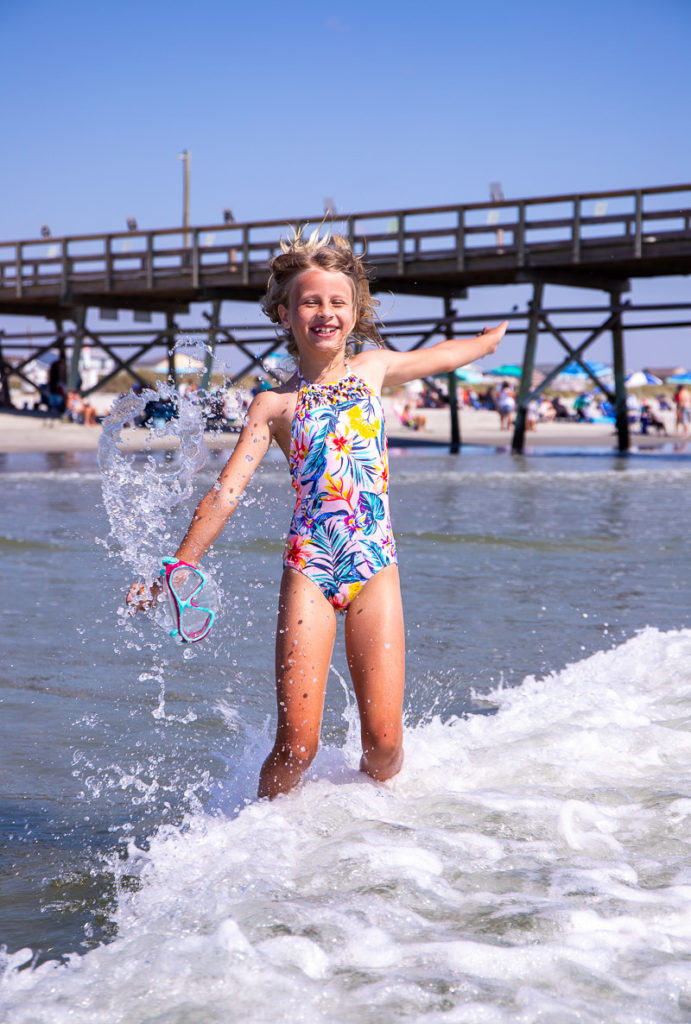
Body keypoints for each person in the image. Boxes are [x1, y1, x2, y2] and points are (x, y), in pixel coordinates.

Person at [127, 228, 507, 799]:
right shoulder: (273, 405)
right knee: (296, 746)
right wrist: (176, 568)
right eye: (310, 301)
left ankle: (370, 827)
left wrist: (485, 343)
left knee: (383, 744)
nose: (325, 312)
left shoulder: (373, 370)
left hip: (375, 564)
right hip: (310, 566)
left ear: (355, 313)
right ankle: (256, 843)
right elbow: (226, 492)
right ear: (284, 313)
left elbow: (440, 357)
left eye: (337, 302)